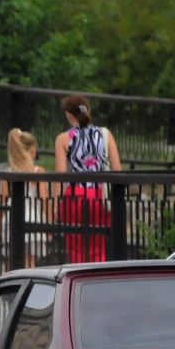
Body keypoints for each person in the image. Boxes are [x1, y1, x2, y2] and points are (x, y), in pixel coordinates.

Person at [53, 94, 123, 263]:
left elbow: (60, 176)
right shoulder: (106, 134)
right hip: (100, 195)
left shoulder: (63, 139)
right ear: (88, 111)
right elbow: (117, 170)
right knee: (99, 245)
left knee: (75, 246)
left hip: (75, 195)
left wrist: (54, 205)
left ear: (68, 114)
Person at [4, 128, 53, 269]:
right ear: (32, 150)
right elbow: (44, 200)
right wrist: (48, 224)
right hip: (33, 218)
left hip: (11, 218)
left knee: (11, 262)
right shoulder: (38, 172)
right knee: (30, 262)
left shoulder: (8, 172)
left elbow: (3, 200)